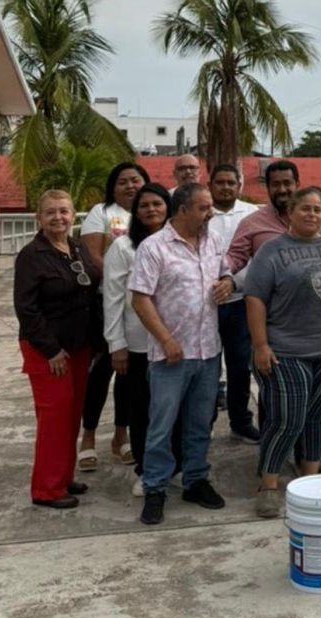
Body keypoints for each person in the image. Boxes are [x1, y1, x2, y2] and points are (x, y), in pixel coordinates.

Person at [244, 187, 321, 518]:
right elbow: (255, 299)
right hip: (286, 350)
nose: (312, 215)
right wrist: (260, 345)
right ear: (291, 213)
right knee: (287, 418)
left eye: (317, 209)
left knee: (318, 415)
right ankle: (269, 483)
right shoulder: (271, 251)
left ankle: (310, 478)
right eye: (305, 209)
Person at [130, 183, 232, 525]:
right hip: (171, 355)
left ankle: (196, 480)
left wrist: (228, 283)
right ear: (183, 209)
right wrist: (165, 339)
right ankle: (155, 487)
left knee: (200, 422)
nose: (210, 213)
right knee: (161, 426)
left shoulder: (212, 241)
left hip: (207, 351)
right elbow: (140, 299)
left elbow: (226, 270)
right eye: (204, 208)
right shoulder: (154, 247)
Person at [14, 190, 100, 509]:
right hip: (47, 349)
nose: (58, 218)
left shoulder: (76, 247)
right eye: (50, 212)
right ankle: (46, 489)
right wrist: (51, 350)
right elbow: (26, 309)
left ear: (73, 215)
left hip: (79, 345)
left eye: (64, 211)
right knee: (54, 417)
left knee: (72, 413)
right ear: (39, 218)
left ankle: (63, 476)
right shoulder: (31, 256)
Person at [103, 183, 178, 497]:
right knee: (143, 410)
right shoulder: (123, 247)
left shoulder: (180, 242)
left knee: (175, 410)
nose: (151, 210)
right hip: (138, 344)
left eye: (157, 204)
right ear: (135, 212)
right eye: (144, 205)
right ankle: (146, 470)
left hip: (176, 342)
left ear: (168, 207)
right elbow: (112, 298)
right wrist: (116, 343)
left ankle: (175, 466)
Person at [77, 161, 149, 472]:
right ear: (113, 187)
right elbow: (92, 255)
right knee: (101, 372)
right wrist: (121, 278)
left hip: (141, 308)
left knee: (128, 376)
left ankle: (121, 436)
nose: (131, 186)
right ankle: (88, 437)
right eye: (123, 181)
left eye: (136, 180)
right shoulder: (102, 212)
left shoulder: (151, 212)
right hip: (105, 302)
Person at [208, 163, 261, 443]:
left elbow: (257, 257)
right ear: (210, 185)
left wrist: (234, 283)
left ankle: (240, 422)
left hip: (242, 302)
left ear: (239, 185)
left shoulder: (252, 214)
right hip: (206, 304)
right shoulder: (200, 212)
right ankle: (204, 423)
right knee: (208, 368)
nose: (226, 187)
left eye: (231, 182)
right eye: (220, 182)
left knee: (240, 366)